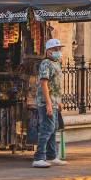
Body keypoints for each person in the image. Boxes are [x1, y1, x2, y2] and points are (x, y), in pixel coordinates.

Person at [33, 39, 67, 168]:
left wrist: (58, 101)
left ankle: (52, 155)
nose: (58, 51)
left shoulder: (57, 63)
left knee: (53, 129)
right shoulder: (45, 63)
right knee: (47, 129)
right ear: (48, 51)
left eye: (59, 49)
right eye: (55, 49)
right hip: (45, 101)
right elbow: (44, 83)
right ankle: (39, 157)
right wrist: (48, 103)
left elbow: (56, 85)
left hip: (54, 101)